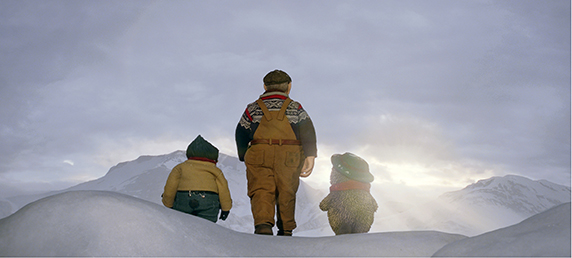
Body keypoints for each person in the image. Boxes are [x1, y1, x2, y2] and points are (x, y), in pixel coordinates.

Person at [235, 69, 317, 236]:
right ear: (289, 87)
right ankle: (285, 229)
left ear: (265, 86)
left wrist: (244, 154)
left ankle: (263, 225)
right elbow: (307, 130)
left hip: (259, 152)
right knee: (287, 189)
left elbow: (241, 131)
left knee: (261, 189)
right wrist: (310, 155)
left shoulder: (253, 108)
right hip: (290, 154)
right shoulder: (296, 107)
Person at [162, 135, 232, 223]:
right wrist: (226, 208)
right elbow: (223, 190)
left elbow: (170, 187)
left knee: (182, 224)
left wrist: (168, 204)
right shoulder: (215, 171)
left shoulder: (180, 168)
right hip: (208, 200)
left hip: (184, 198)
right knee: (207, 226)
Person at [319, 152, 378, 235]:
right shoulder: (365, 193)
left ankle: (342, 228)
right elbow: (374, 206)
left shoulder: (336, 193)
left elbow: (323, 206)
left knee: (338, 219)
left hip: (340, 219)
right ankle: (360, 228)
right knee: (364, 219)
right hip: (363, 219)